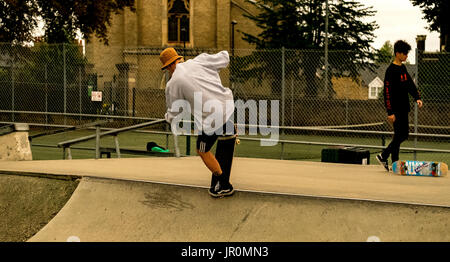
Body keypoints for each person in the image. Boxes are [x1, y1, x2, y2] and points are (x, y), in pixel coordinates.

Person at [160, 47, 235, 197]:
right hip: (228, 106)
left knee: (202, 150)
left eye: (167, 69)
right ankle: (219, 184)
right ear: (179, 59)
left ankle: (224, 183)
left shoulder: (174, 82)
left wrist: (168, 118)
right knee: (226, 140)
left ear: (169, 66)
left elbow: (175, 111)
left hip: (211, 119)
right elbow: (224, 58)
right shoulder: (200, 61)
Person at [377, 40, 423, 171]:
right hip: (395, 109)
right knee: (403, 135)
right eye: (404, 53)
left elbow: (409, 84)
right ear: (397, 53)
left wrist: (417, 97)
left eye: (407, 53)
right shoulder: (390, 71)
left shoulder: (403, 68)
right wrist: (390, 112)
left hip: (404, 107)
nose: (406, 56)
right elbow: (387, 93)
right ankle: (383, 155)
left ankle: (395, 163)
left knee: (398, 135)